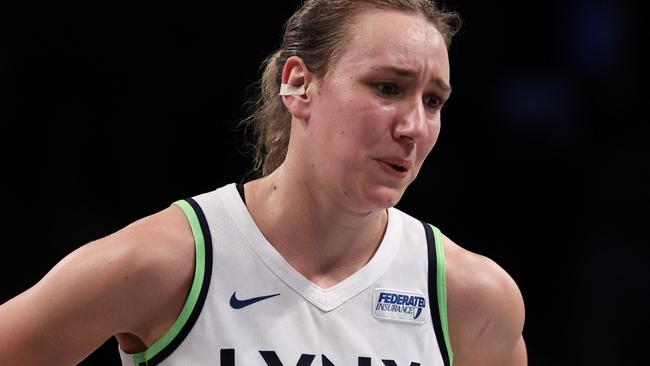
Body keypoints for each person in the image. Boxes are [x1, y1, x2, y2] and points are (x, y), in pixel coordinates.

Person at [0, 0, 526, 365]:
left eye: (433, 101)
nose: (414, 127)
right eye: (388, 87)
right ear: (298, 85)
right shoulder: (167, 261)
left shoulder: (471, 298)